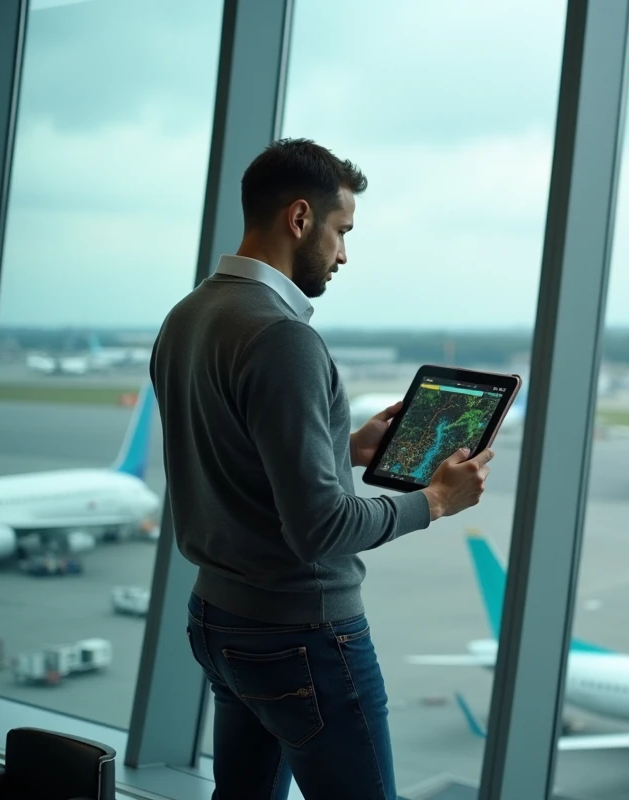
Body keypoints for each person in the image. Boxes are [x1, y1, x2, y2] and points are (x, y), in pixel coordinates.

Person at [150, 137, 493, 800]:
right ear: (300, 219)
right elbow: (322, 527)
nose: (343, 254)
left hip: (219, 618)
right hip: (301, 634)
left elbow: (235, 456)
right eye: (341, 232)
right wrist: (437, 501)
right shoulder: (283, 338)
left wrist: (343, 445)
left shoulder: (188, 316)